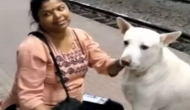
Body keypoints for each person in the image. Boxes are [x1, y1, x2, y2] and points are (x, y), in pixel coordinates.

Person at [0, 0, 128, 110]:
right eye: (47, 14)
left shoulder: (80, 36)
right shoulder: (32, 48)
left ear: (68, 8)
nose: (57, 16)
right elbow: (29, 97)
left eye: (60, 8)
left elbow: (105, 65)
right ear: (38, 19)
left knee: (114, 108)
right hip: (42, 107)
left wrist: (124, 60)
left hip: (71, 104)